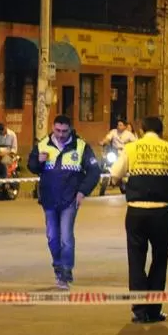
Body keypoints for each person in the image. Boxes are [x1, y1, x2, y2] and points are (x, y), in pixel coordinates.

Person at [109, 116, 168, 324]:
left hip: (136, 212)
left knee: (136, 260)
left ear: (142, 130)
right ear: (161, 131)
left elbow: (115, 175)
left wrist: (129, 181)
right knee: (160, 260)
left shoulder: (131, 148)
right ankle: (154, 310)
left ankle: (139, 309)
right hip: (162, 213)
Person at [27, 115, 101, 289]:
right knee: (52, 236)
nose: (60, 135)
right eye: (57, 130)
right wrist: (38, 162)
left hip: (70, 199)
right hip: (49, 199)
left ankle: (66, 271)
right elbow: (31, 166)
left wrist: (82, 192)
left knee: (66, 236)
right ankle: (58, 266)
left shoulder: (81, 147)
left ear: (71, 129)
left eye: (64, 131)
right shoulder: (43, 145)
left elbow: (94, 172)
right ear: (53, 128)